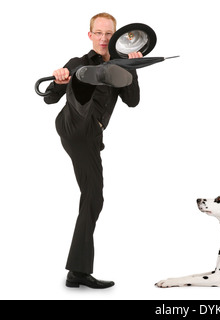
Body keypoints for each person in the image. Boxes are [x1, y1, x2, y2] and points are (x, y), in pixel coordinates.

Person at [44, 12, 143, 289]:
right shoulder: (77, 62)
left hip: (89, 136)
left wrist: (131, 71)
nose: (103, 38)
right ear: (90, 35)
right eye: (98, 33)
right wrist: (59, 81)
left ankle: (77, 271)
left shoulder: (122, 67)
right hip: (72, 122)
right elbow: (50, 99)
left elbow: (132, 102)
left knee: (93, 196)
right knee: (80, 85)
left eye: (109, 34)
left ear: (117, 37)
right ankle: (83, 86)